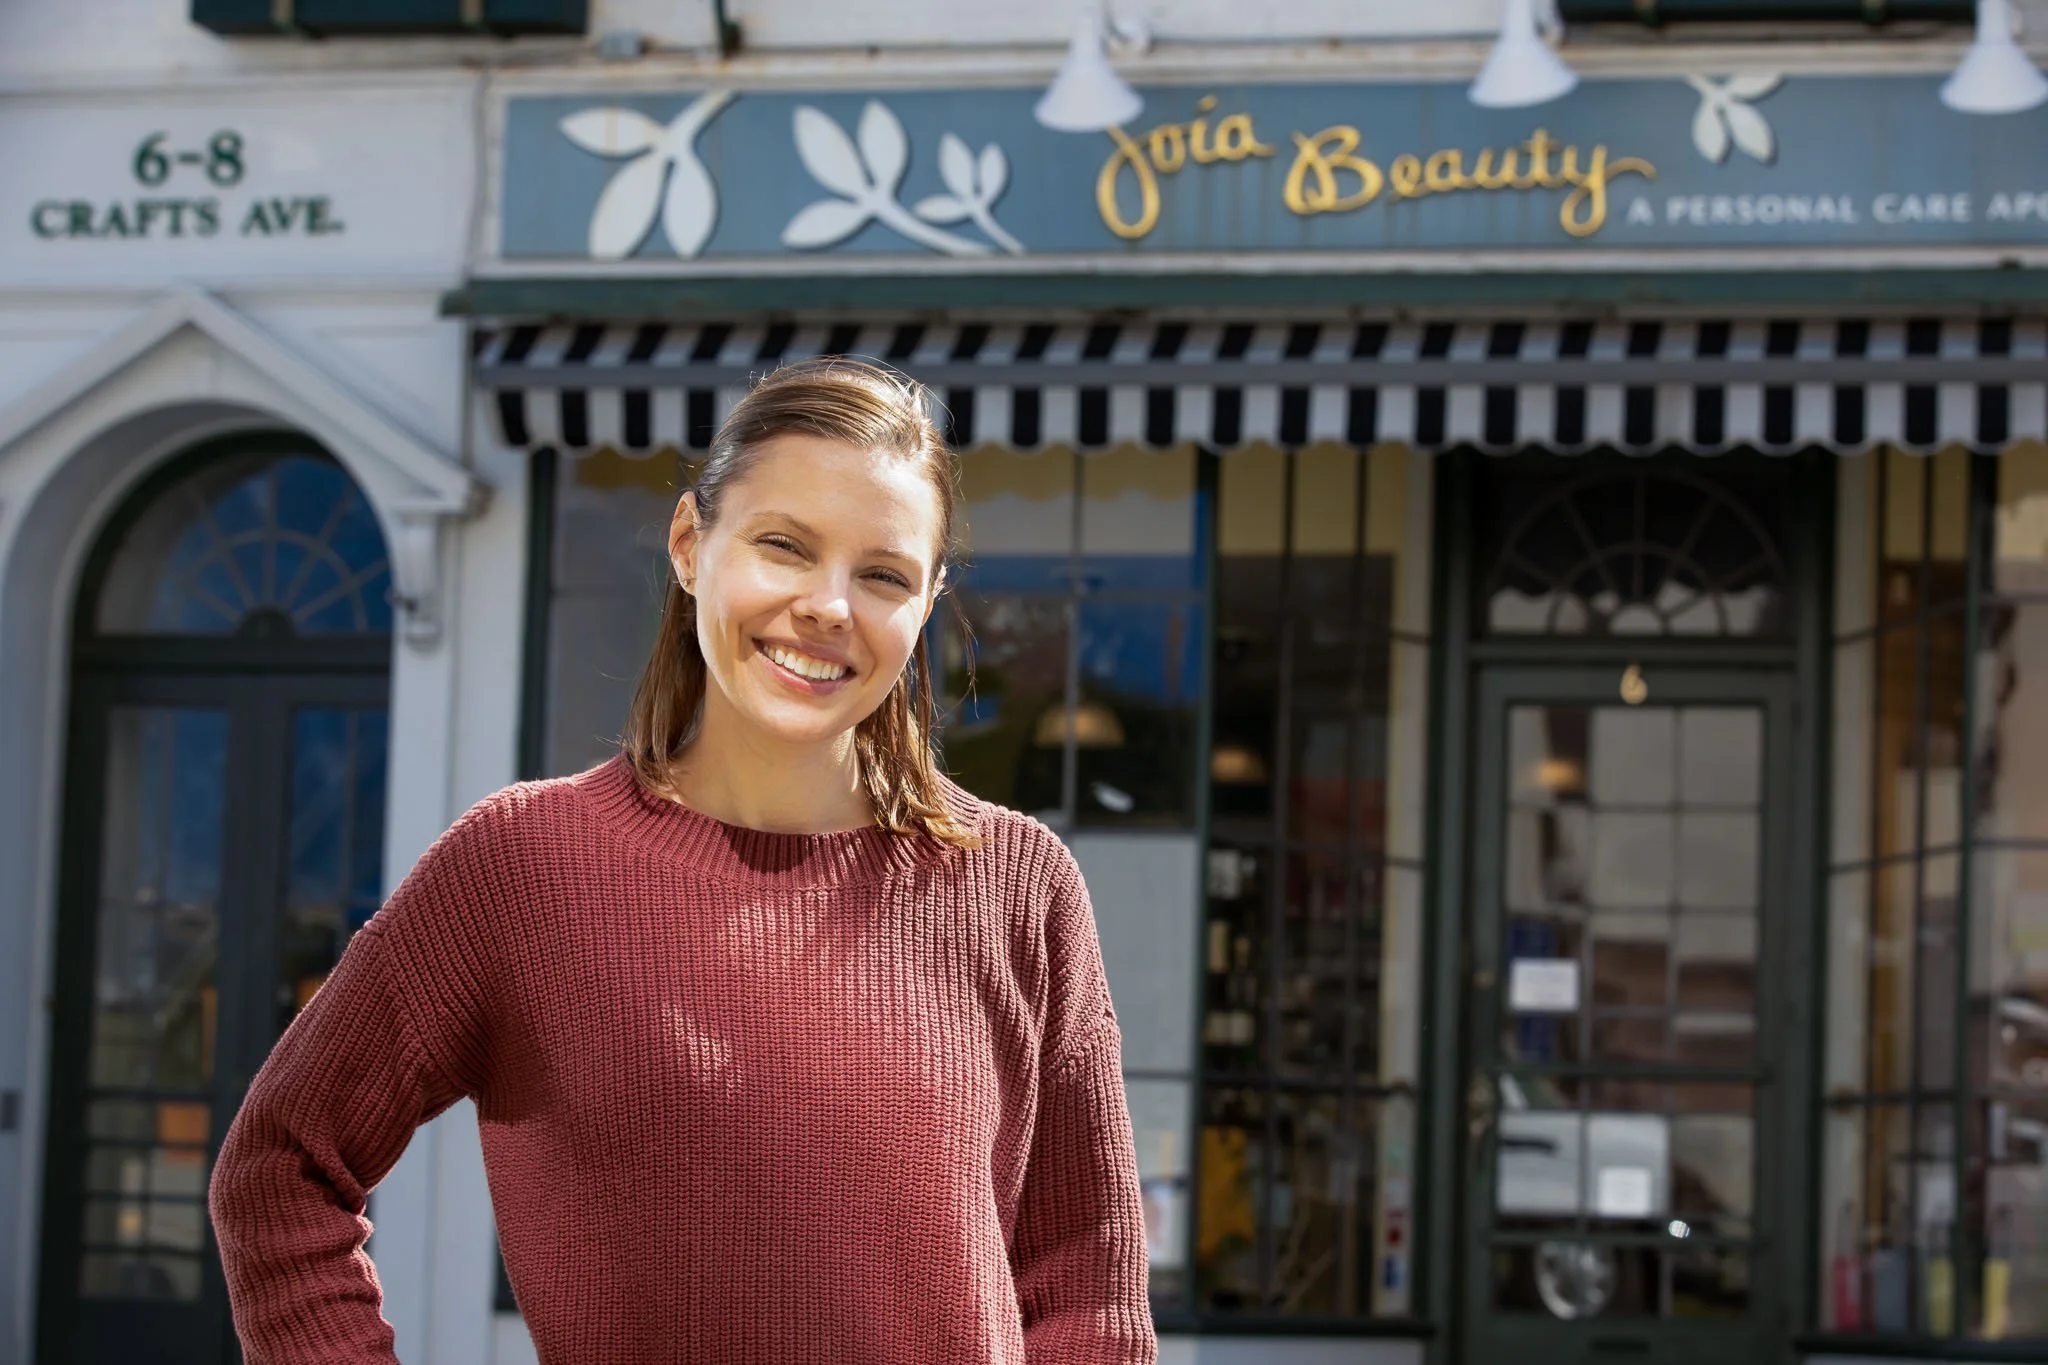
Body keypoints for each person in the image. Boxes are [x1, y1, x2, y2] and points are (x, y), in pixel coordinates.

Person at [208, 359, 1157, 1364]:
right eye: (784, 546)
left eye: (882, 574)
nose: (828, 606)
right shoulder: (522, 866)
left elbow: (1088, 1289)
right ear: (690, 546)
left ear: (924, 605)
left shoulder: (1018, 885)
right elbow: (278, 1172)